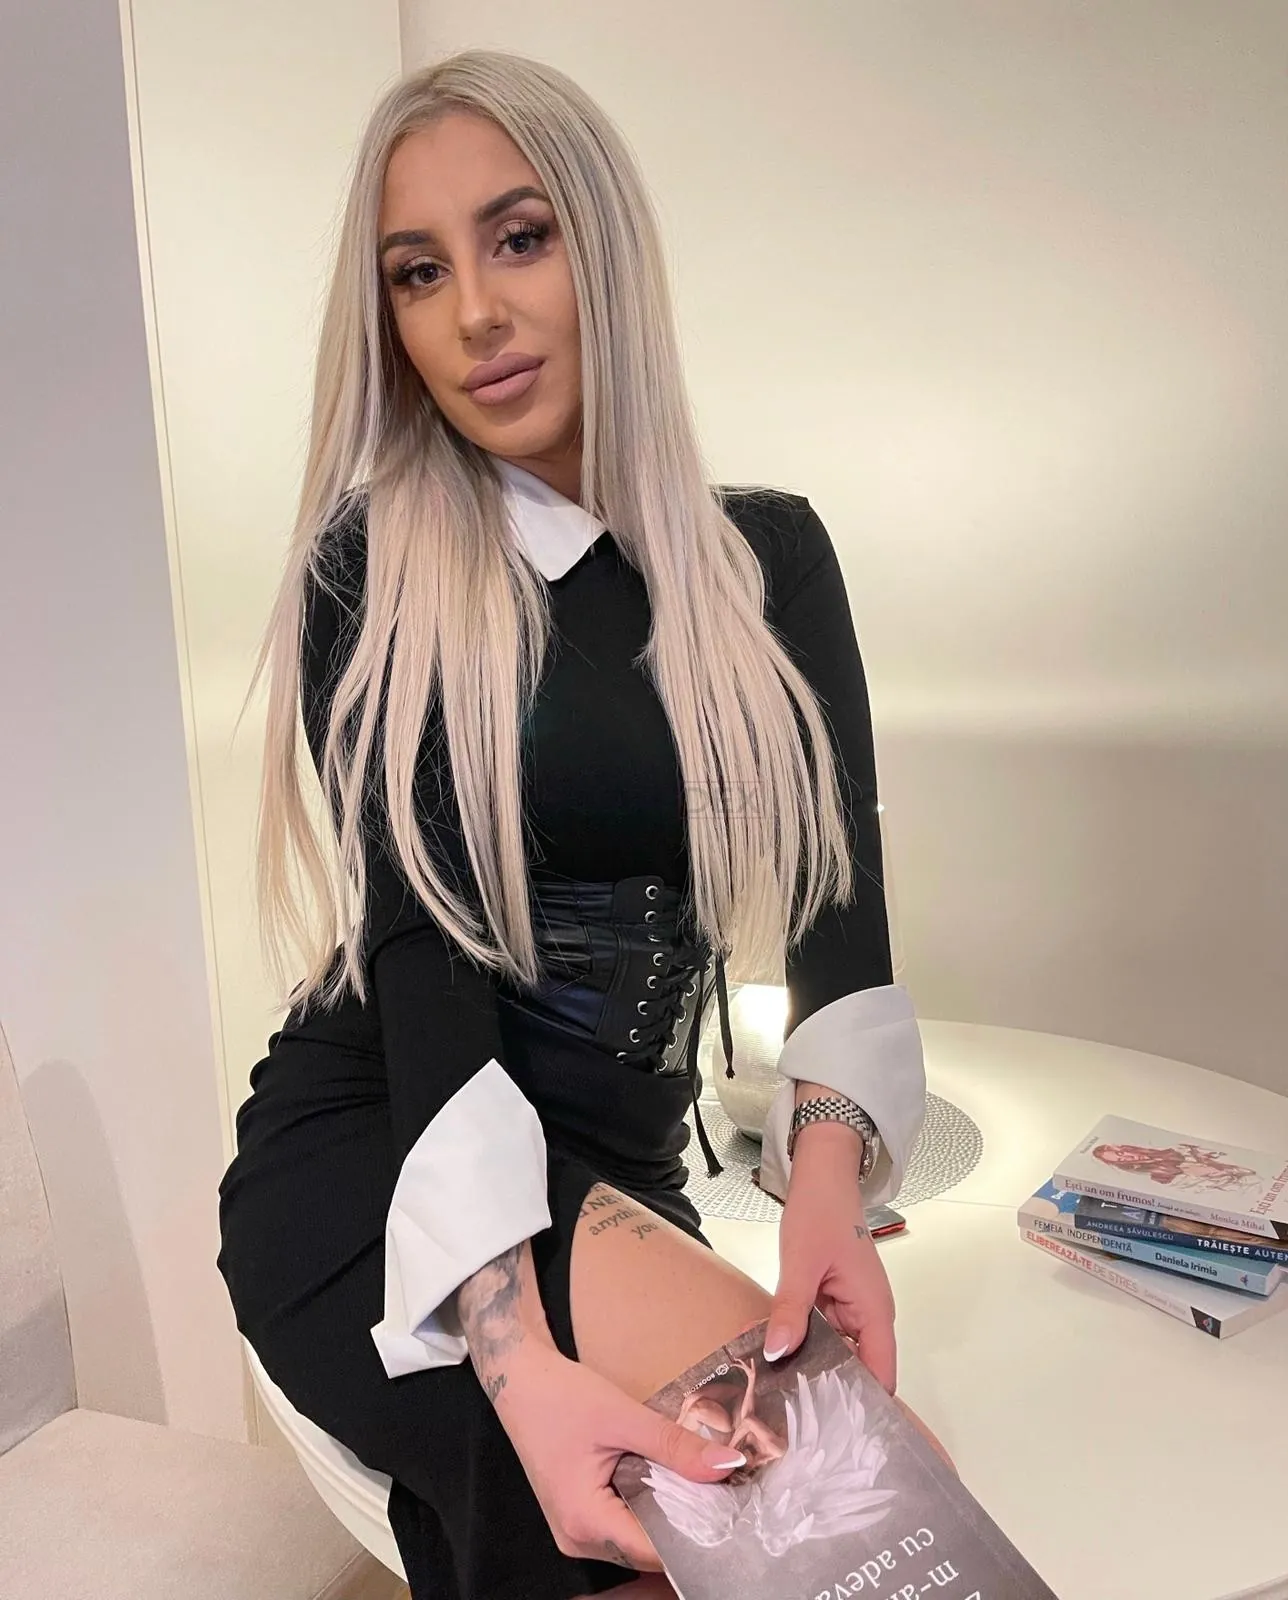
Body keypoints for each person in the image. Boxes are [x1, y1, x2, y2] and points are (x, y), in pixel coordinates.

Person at [215, 46, 929, 1600]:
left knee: (856, 1512)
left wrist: (826, 1185)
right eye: (419, 272)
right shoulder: (375, 572)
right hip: (383, 1152)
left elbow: (840, 915)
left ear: (602, 245)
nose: (474, 311)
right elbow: (424, 959)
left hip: (615, 1175)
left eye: (519, 237)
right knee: (677, 1529)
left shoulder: (770, 559)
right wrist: (511, 1352)